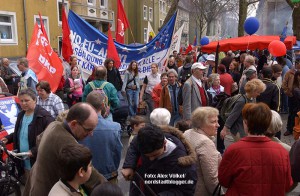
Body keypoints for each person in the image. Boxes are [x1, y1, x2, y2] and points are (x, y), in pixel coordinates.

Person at [23, 103, 107, 196]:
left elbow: (39, 139)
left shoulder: (54, 125)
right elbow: (90, 175)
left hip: (35, 183)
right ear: (74, 123)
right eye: (88, 130)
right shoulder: (67, 143)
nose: (91, 134)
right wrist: (109, 190)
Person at [218, 102, 293, 195]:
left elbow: (223, 181)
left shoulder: (234, 149)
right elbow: (288, 184)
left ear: (245, 123)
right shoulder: (282, 151)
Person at [122, 124, 197, 195]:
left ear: (164, 143)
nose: (151, 159)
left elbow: (186, 191)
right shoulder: (145, 137)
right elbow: (134, 144)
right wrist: (129, 165)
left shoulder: (183, 164)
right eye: (147, 156)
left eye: (155, 155)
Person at [1, 88, 54, 175]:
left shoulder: (44, 117)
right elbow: (20, 132)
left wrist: (34, 151)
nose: (23, 103)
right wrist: (8, 138)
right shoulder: (21, 114)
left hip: (37, 162)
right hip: (22, 160)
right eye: (21, 101)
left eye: (26, 100)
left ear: (34, 100)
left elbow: (50, 139)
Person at [80, 91, 123, 183]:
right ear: (103, 105)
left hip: (83, 176)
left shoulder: (77, 127)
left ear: (87, 104)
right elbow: (117, 153)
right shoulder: (115, 127)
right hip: (108, 175)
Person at [183, 107, 222, 196]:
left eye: (217, 121)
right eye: (213, 122)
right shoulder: (205, 143)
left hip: (189, 187)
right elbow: (211, 178)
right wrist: (220, 193)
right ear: (200, 124)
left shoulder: (187, 132)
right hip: (202, 191)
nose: (218, 125)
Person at [282, 58, 300, 136]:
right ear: (296, 63)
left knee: (298, 113)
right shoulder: (289, 73)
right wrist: (289, 93)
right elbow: (284, 85)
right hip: (292, 97)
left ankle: (297, 128)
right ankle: (289, 129)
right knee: (291, 113)